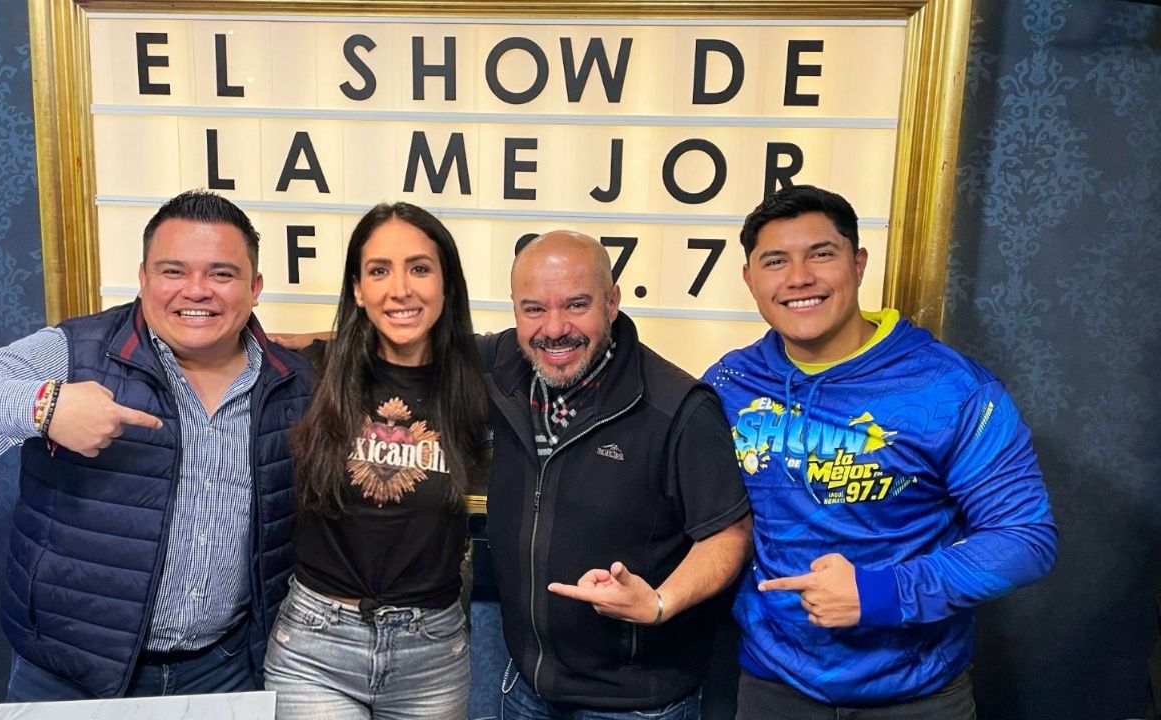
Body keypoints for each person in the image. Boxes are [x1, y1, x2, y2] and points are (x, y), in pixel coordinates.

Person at [0, 190, 312, 700]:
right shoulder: (75, 352)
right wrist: (44, 407)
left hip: (224, 670)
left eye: (221, 274)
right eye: (173, 271)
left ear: (255, 287)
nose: (196, 290)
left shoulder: (296, 380)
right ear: (144, 279)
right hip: (69, 676)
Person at [702, 185, 1057, 717]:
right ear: (751, 279)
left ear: (859, 263)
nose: (799, 277)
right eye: (775, 261)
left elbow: (1025, 539)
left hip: (916, 691)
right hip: (773, 686)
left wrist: (882, 592)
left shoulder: (953, 388)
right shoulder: (730, 381)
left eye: (821, 254)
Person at [480, 231, 754, 718]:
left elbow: (728, 532)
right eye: (534, 309)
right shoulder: (503, 368)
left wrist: (660, 602)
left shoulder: (678, 407)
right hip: (526, 687)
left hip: (636, 704)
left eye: (576, 305)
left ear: (611, 303)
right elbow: (415, 343)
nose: (554, 328)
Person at [263, 202, 488, 719]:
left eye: (420, 268)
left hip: (432, 654)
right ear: (358, 289)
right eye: (379, 271)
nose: (400, 289)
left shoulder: (480, 378)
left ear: (447, 285)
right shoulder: (311, 372)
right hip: (315, 648)